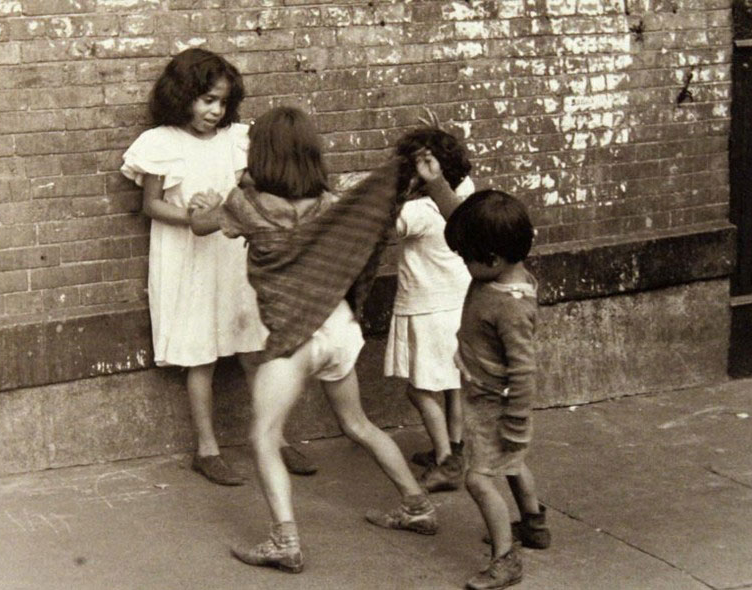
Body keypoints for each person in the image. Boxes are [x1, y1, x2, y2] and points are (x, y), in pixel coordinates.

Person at [191, 106, 440, 574]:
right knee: (359, 424)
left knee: (263, 437)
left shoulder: (246, 204)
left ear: (260, 153)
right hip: (338, 329)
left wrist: (201, 206)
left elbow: (201, 224)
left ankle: (284, 541)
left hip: (295, 340)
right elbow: (370, 207)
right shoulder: (332, 205)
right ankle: (416, 505)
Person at [121, 48, 315, 487]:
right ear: (182, 95)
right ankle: (207, 448)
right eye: (206, 100)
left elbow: (250, 188)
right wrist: (194, 217)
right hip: (189, 257)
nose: (215, 110)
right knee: (201, 354)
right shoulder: (161, 142)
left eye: (222, 102)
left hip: (233, 253)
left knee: (254, 348)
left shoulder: (237, 139)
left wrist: (238, 212)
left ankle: (275, 437)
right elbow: (150, 205)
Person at [443, 188, 551, 590]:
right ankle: (534, 525)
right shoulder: (502, 268)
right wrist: (437, 182)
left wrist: (517, 422)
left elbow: (525, 371)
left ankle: (505, 559)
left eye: (466, 258)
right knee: (513, 462)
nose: (463, 262)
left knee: (478, 478)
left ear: (491, 259)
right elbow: (460, 218)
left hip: (495, 402)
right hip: (491, 395)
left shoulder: (510, 305)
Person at [386, 127, 475, 492]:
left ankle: (444, 462)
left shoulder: (418, 211)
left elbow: (383, 226)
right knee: (453, 385)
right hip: (458, 304)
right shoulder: (465, 194)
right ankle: (456, 449)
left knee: (420, 390)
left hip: (427, 309)